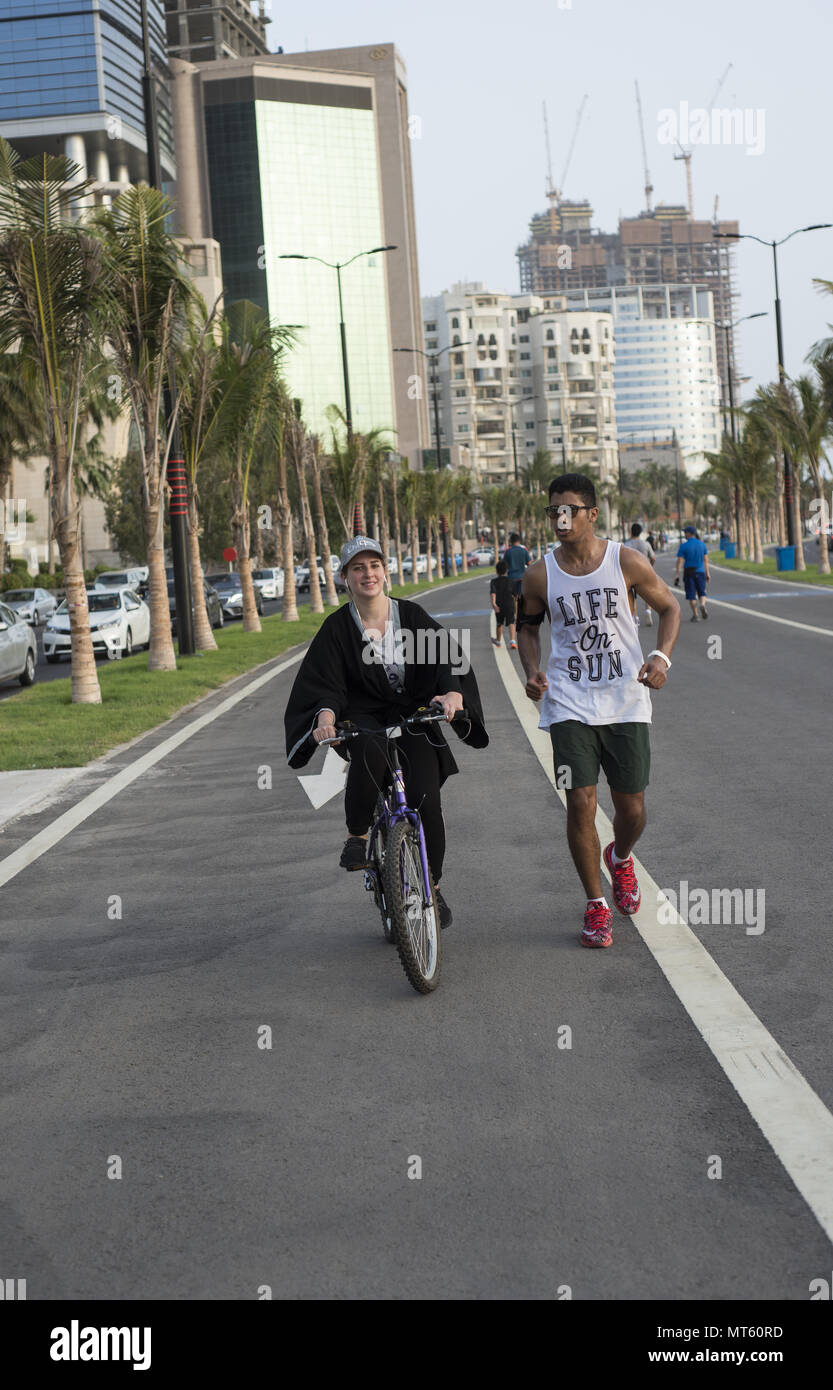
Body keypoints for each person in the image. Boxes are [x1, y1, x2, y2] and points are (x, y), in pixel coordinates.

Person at [285, 536, 489, 929]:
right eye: (358, 568)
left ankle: (433, 884)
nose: (368, 574)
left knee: (426, 800)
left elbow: (445, 658)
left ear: (385, 570)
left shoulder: (410, 616)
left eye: (374, 565)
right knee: (367, 744)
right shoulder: (336, 629)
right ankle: (357, 837)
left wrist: (451, 693)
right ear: (344, 577)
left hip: (413, 712)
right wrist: (325, 717)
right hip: (362, 716)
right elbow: (323, 684)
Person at [517, 473, 681, 949]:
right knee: (580, 802)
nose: (560, 519)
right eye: (553, 511)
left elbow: (670, 608)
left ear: (592, 513)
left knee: (632, 808)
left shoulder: (625, 561)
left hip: (626, 699)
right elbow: (526, 628)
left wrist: (661, 658)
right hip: (569, 701)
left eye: (569, 510)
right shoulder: (539, 574)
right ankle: (595, 905)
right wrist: (531, 668)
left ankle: (622, 857)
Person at [674, 524, 710, 621]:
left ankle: (696, 615)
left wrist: (677, 574)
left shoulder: (684, 546)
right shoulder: (702, 544)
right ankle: (702, 605)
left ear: (689, 534)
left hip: (689, 573)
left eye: (685, 532)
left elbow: (680, 561)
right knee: (702, 592)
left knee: (691, 594)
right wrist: (708, 573)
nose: (684, 534)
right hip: (700, 571)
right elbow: (706, 560)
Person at [623, 522, 656, 627]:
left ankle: (635, 617)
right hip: (644, 572)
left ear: (631, 531)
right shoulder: (646, 544)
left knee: (631, 595)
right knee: (648, 595)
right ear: (641, 532)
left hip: (629, 573)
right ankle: (648, 612)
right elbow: (653, 558)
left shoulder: (625, 545)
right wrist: (650, 566)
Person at [490, 558, 516, 648]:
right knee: (511, 622)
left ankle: (498, 641)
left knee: (499, 623)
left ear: (497, 571)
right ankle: (512, 641)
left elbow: (493, 593)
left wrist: (494, 604)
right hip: (509, 604)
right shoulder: (511, 581)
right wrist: (516, 609)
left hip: (499, 605)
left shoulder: (493, 582)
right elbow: (515, 596)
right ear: (506, 570)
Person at [503, 531, 532, 606]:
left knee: (513, 598)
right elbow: (529, 564)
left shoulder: (508, 552)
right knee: (522, 597)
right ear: (519, 541)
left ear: (511, 541)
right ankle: (522, 614)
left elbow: (504, 565)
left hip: (511, 578)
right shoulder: (523, 551)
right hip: (522, 578)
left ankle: (515, 615)